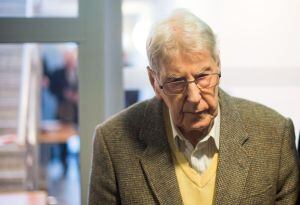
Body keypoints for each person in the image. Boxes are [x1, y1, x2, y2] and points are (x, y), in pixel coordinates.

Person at [88, 9, 299, 204]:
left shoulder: (274, 135)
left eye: (203, 76)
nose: (194, 97)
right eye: (176, 82)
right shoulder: (113, 143)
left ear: (218, 64)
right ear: (155, 82)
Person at [49, 48, 79, 176]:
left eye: (71, 58)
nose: (69, 61)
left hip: (78, 111)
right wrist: (64, 94)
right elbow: (52, 88)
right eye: (67, 59)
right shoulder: (57, 73)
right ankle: (64, 165)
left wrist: (78, 96)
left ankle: (79, 165)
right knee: (62, 141)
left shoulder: (81, 72)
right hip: (63, 111)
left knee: (80, 137)